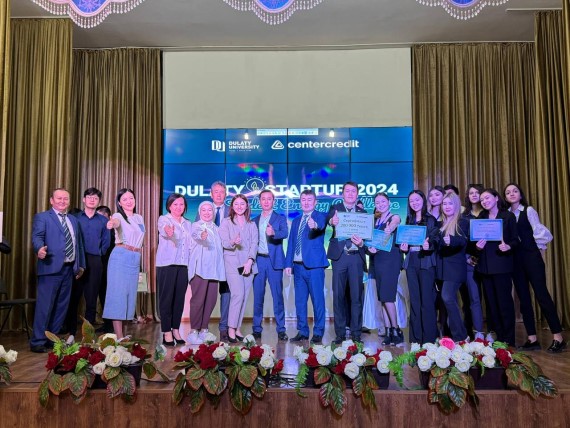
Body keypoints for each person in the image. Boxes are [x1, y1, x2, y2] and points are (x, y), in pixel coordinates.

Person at [504, 183, 566, 352]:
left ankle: (558, 337)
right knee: (524, 299)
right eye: (508, 192)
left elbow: (539, 232)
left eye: (515, 191)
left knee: (542, 295)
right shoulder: (506, 215)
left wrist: (536, 253)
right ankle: (532, 339)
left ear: (520, 194)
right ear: (505, 197)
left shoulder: (528, 210)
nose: (512, 194)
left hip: (531, 258)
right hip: (515, 261)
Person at [30, 188, 86, 353]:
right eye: (59, 198)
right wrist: (39, 249)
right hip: (50, 267)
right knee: (45, 306)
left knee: (61, 307)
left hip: (69, 269)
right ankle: (37, 341)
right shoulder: (43, 217)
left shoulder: (73, 220)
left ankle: (51, 339)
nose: (62, 201)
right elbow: (37, 237)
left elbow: (78, 244)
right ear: (51, 200)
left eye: (65, 199)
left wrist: (81, 265)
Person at [62, 188, 110, 343]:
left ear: (99, 201)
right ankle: (71, 332)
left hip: (95, 260)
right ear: (84, 199)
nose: (92, 200)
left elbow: (106, 242)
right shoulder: (74, 218)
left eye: (95, 198)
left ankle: (88, 336)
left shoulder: (103, 221)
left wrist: (98, 253)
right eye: (89, 197)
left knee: (92, 298)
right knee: (73, 297)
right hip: (77, 260)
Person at [475, 188, 518, 346]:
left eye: (487, 198)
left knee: (504, 303)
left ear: (496, 198)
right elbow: (474, 242)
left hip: (502, 266)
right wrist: (477, 247)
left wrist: (508, 246)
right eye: (482, 200)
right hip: (485, 267)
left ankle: (509, 340)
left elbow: (515, 240)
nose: (484, 201)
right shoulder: (481, 217)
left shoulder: (508, 216)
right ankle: (498, 338)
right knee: (491, 305)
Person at [285, 189, 329, 344]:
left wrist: (314, 225)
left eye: (309, 200)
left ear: (315, 202)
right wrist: (288, 263)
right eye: (303, 199)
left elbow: (320, 226)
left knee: (318, 300)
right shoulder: (296, 220)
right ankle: (302, 331)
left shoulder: (320, 216)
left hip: (315, 267)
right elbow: (291, 243)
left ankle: (318, 332)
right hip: (298, 267)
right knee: (300, 301)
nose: (306, 202)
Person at [103, 188, 145, 339]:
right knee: (118, 296)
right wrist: (111, 223)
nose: (129, 201)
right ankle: (119, 337)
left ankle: (125, 335)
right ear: (119, 203)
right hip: (121, 256)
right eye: (125, 199)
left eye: (131, 198)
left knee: (129, 296)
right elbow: (116, 222)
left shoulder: (139, 217)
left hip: (135, 257)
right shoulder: (118, 215)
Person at [400, 190, 439, 345]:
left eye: (417, 200)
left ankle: (429, 340)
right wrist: (403, 248)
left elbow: (435, 239)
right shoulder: (409, 220)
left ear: (423, 200)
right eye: (411, 201)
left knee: (427, 301)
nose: (414, 203)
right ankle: (416, 340)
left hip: (426, 262)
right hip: (411, 262)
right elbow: (405, 242)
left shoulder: (431, 219)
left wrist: (429, 245)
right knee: (414, 301)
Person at [218, 194, 258, 343]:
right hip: (232, 263)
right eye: (236, 204)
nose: (239, 206)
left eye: (242, 204)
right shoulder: (226, 222)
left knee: (244, 298)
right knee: (238, 295)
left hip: (248, 264)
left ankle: (237, 328)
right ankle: (231, 328)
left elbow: (254, 243)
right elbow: (223, 242)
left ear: (246, 206)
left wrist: (250, 261)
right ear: (232, 206)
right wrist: (233, 242)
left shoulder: (251, 224)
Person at [367, 192, 404, 345]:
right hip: (377, 261)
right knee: (382, 298)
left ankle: (396, 330)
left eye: (383, 201)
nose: (380, 204)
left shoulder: (394, 217)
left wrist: (390, 228)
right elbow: (371, 243)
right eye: (377, 202)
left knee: (388, 297)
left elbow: (395, 222)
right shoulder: (376, 221)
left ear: (389, 202)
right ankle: (388, 331)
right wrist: (370, 249)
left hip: (390, 261)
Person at [187, 201, 226, 345]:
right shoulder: (196, 226)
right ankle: (193, 331)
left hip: (214, 271)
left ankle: (204, 329)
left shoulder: (216, 228)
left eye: (210, 210)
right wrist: (202, 236)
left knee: (211, 301)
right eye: (204, 210)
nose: (207, 212)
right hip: (200, 270)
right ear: (199, 212)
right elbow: (197, 235)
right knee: (198, 301)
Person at [252, 189, 288, 341]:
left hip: (275, 262)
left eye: (269, 199)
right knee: (258, 297)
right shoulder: (254, 220)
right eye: (263, 199)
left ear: (274, 201)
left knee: (277, 297)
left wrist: (274, 233)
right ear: (259, 201)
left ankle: (281, 329)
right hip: (259, 261)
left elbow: (285, 233)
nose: (266, 202)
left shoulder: (280, 218)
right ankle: (256, 329)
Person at [156, 193, 191, 346]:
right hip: (167, 264)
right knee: (166, 299)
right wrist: (168, 231)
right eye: (175, 204)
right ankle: (166, 332)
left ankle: (176, 329)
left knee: (179, 299)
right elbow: (165, 230)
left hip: (183, 265)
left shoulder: (188, 223)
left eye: (181, 204)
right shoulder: (164, 219)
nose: (178, 207)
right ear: (169, 206)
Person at [434, 193, 469, 342]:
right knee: (448, 300)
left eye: (450, 203)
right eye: (444, 204)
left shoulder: (462, 222)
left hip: (455, 270)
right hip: (442, 270)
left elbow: (463, 241)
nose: (447, 206)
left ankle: (461, 336)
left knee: (447, 297)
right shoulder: (440, 224)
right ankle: (452, 335)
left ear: (456, 205)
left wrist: (451, 241)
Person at [198, 181, 231, 341]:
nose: (218, 194)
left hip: (227, 258)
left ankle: (224, 328)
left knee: (226, 293)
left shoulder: (232, 211)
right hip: (207, 259)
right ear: (211, 194)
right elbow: (197, 233)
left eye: (221, 192)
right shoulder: (203, 210)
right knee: (205, 294)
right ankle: (201, 327)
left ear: (226, 194)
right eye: (215, 192)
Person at [461, 184, 487, 341]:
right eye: (471, 193)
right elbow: (462, 241)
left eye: (478, 192)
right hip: (470, 261)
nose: (474, 195)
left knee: (490, 299)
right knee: (473, 298)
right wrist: (468, 256)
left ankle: (491, 332)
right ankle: (476, 332)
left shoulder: (488, 214)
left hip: (489, 260)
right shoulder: (464, 217)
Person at [96, 205, 114, 333]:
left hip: (110, 269)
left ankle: (110, 325)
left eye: (103, 218)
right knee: (101, 296)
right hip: (99, 268)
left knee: (108, 297)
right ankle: (106, 324)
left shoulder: (113, 232)